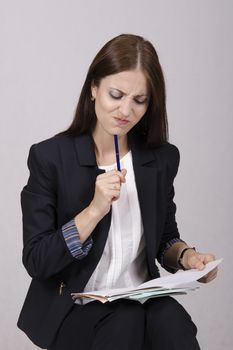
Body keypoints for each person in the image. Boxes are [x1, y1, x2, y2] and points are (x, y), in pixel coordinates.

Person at [18, 33, 218, 350]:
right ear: (94, 88)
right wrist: (94, 210)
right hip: (74, 304)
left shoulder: (161, 159)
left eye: (139, 100)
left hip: (140, 296)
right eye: (116, 94)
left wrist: (187, 257)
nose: (126, 110)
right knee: (124, 322)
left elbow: (165, 237)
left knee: (174, 324)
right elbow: (37, 260)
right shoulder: (50, 158)